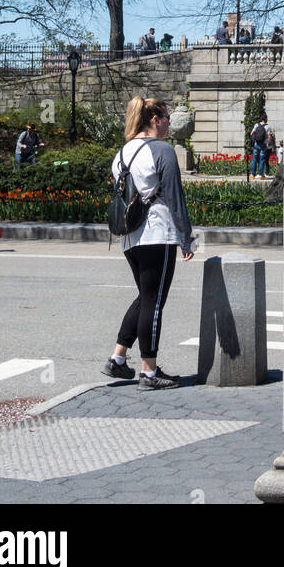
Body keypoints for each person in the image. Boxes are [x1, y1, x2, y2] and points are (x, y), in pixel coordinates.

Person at [104, 96, 194, 389]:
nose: (169, 124)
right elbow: (175, 197)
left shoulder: (122, 153)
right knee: (154, 303)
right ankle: (149, 371)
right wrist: (186, 238)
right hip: (158, 231)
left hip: (131, 236)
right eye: (166, 118)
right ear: (154, 119)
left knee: (145, 297)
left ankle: (118, 359)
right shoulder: (162, 151)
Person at [250, 113, 269, 179]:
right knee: (262, 159)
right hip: (263, 145)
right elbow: (269, 137)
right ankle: (260, 175)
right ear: (266, 119)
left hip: (256, 144)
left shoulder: (256, 125)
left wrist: (255, 138)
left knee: (254, 159)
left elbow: (251, 133)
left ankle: (252, 174)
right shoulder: (267, 127)